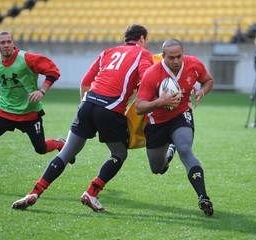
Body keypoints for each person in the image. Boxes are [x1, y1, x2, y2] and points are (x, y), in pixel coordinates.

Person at [12, 24, 153, 211]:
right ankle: (92, 192)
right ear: (142, 39)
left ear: (125, 39)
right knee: (119, 154)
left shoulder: (107, 52)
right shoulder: (143, 54)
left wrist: (85, 107)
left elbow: (85, 82)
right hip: (110, 109)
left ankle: (34, 192)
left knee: (67, 152)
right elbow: (147, 79)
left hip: (87, 104)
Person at [135, 39, 215, 216]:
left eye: (179, 56)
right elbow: (139, 107)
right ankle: (168, 154)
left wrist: (202, 90)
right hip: (156, 123)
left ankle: (203, 197)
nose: (176, 61)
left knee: (185, 149)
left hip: (181, 116)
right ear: (163, 56)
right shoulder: (152, 73)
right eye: (171, 57)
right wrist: (161, 101)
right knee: (157, 168)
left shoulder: (194, 64)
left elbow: (208, 80)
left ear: (183, 53)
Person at [0, 31, 66, 162]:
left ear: (13, 43)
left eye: (9, 42)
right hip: (4, 111)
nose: (6, 45)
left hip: (29, 113)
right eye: (2, 43)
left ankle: (59, 144)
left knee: (41, 148)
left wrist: (41, 91)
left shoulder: (27, 58)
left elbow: (53, 71)